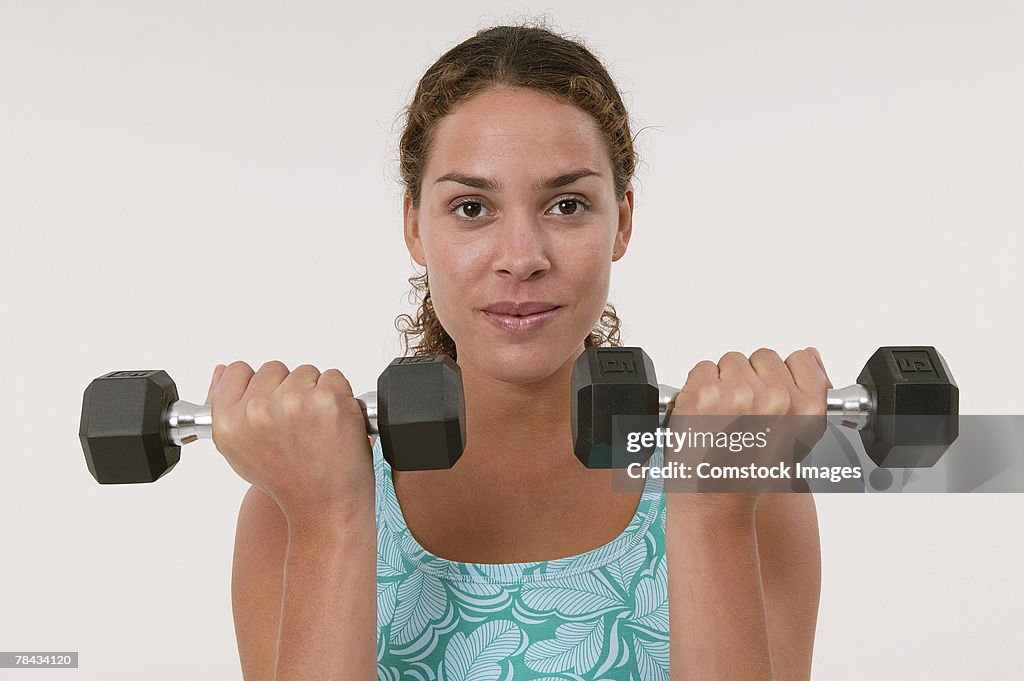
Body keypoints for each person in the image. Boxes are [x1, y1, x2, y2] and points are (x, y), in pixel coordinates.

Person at [206, 23, 828, 680]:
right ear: (415, 225)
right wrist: (328, 515)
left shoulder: (750, 480)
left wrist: (707, 509)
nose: (522, 257)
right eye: (472, 207)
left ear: (624, 219)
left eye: (567, 204)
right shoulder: (294, 496)